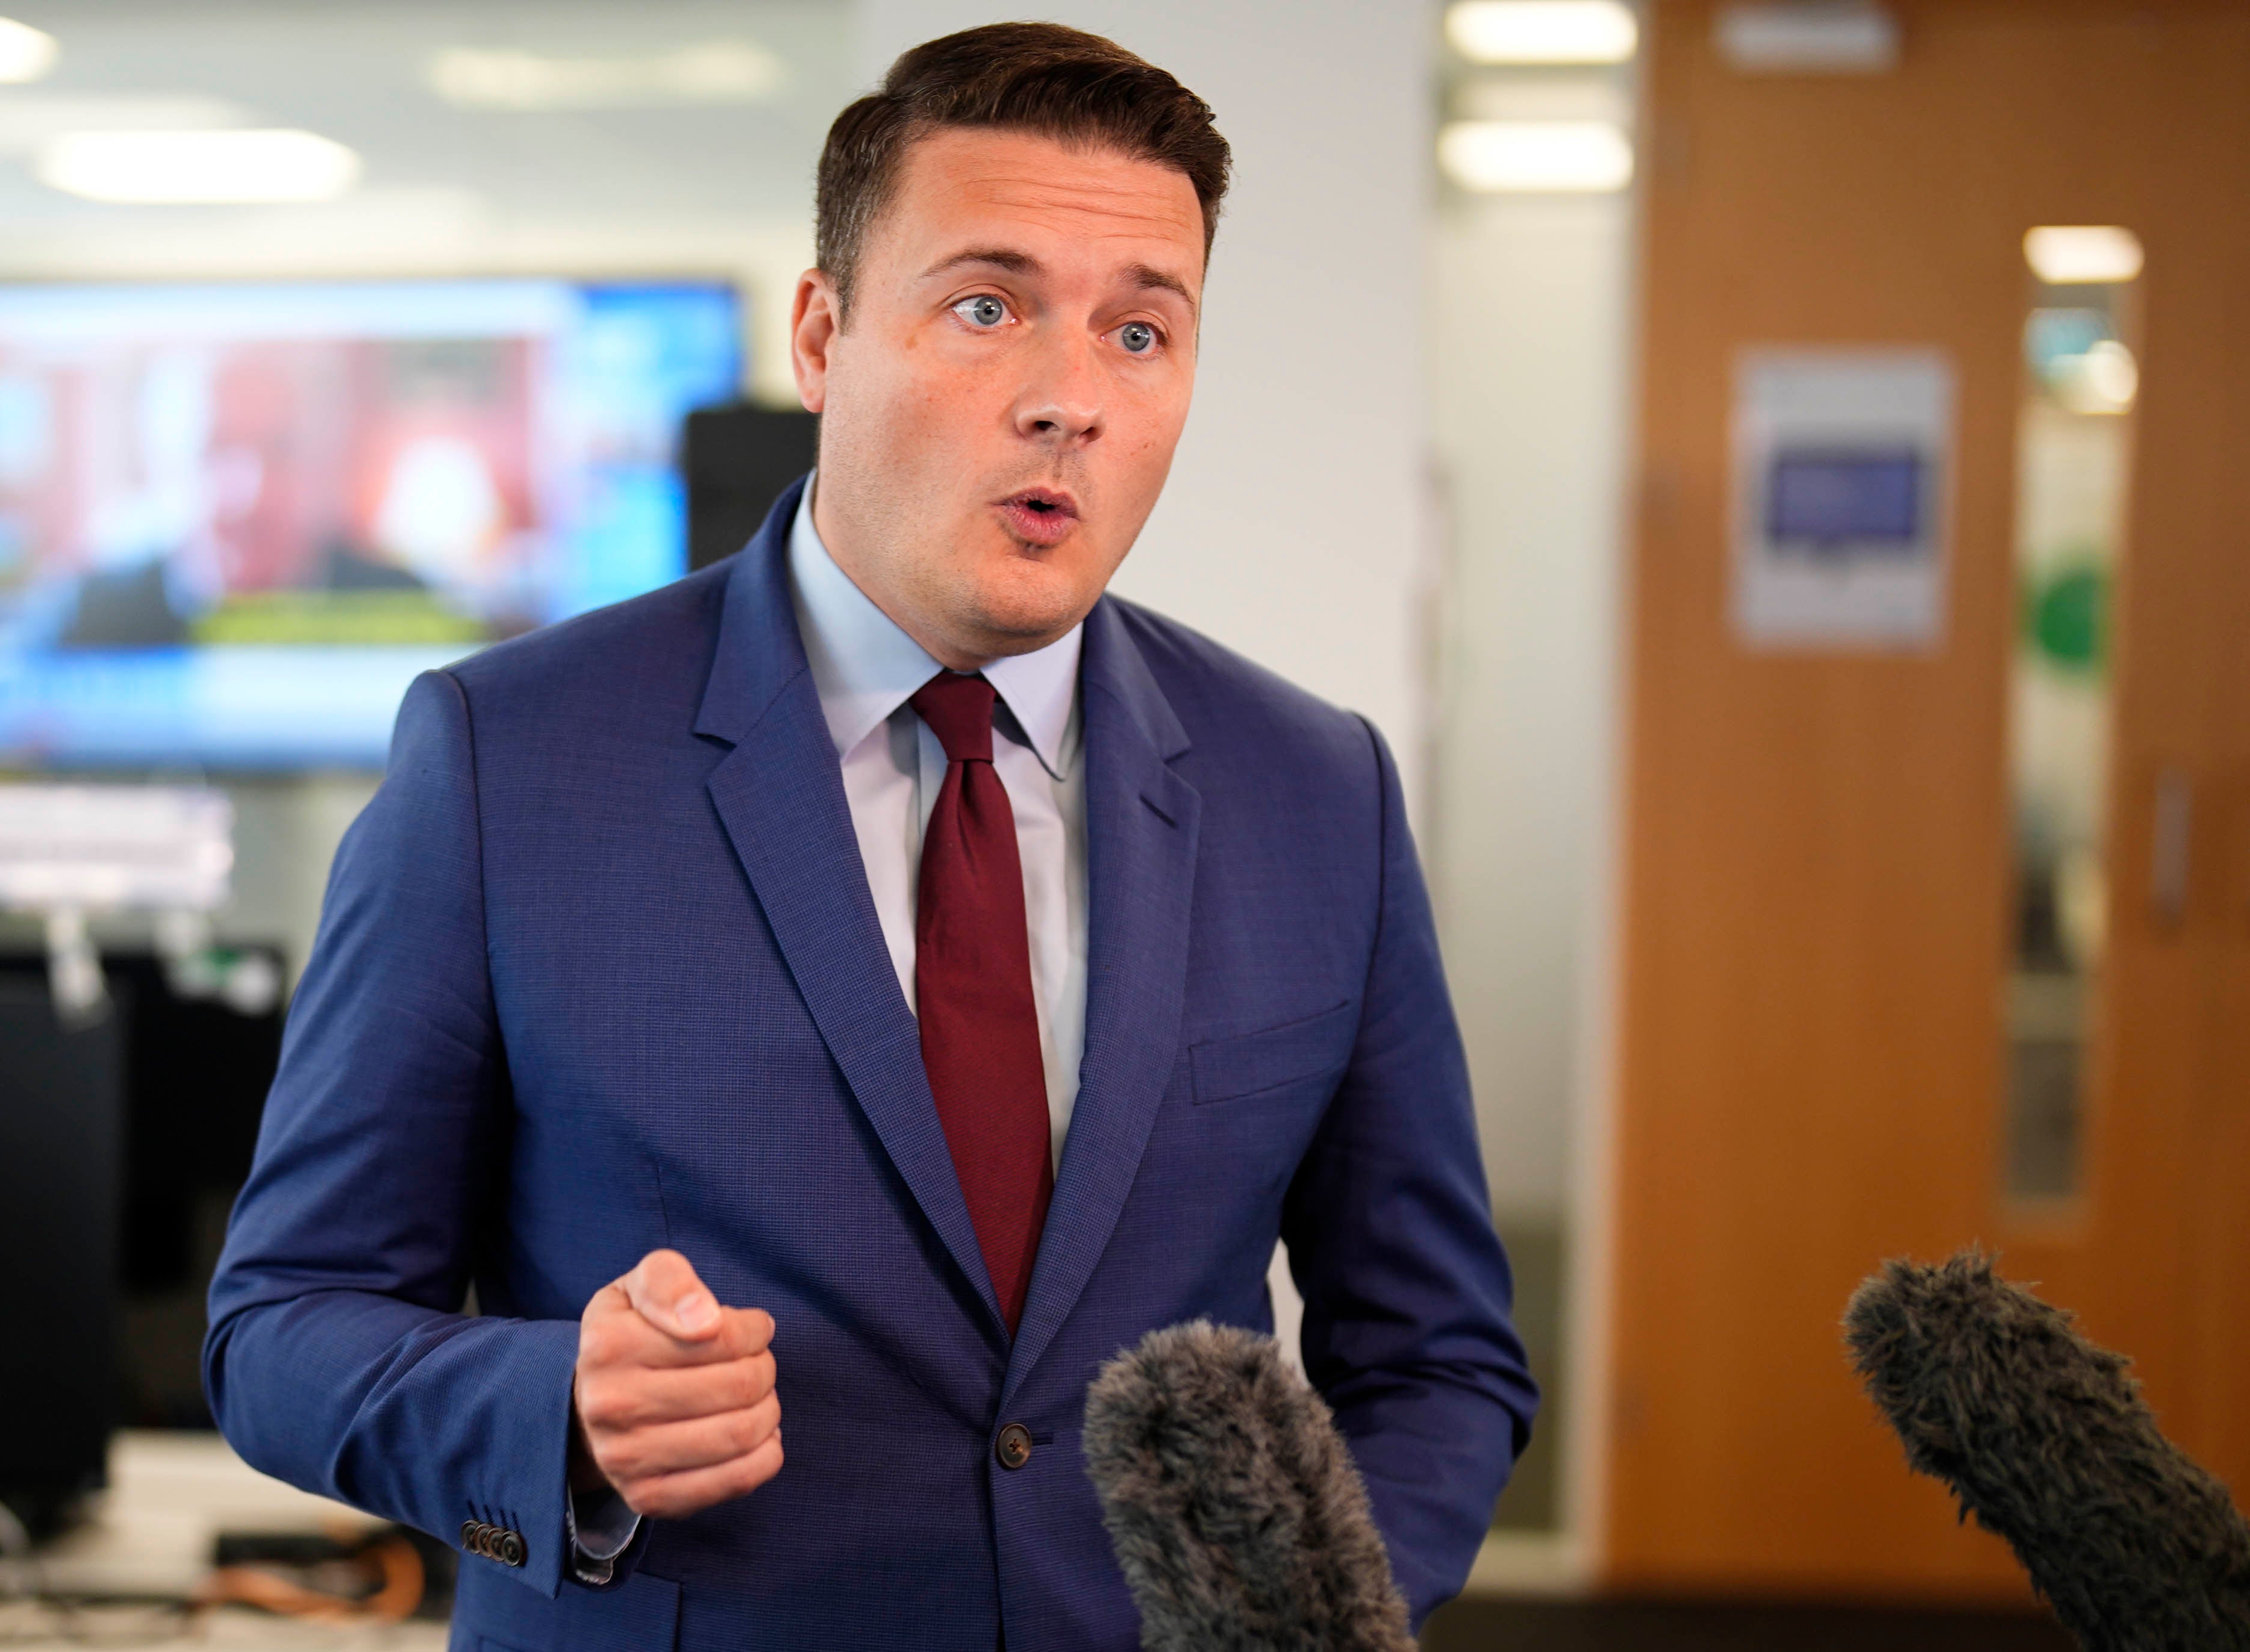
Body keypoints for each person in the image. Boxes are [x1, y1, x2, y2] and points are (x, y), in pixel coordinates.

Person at [206, 23, 1535, 1651]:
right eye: (990, 308)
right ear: (824, 333)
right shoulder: (509, 761)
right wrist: (556, 1409)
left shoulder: (1313, 791)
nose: (1069, 400)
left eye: (1140, 331)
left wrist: (1312, 1609)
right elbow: (280, 1323)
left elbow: (1439, 1362)